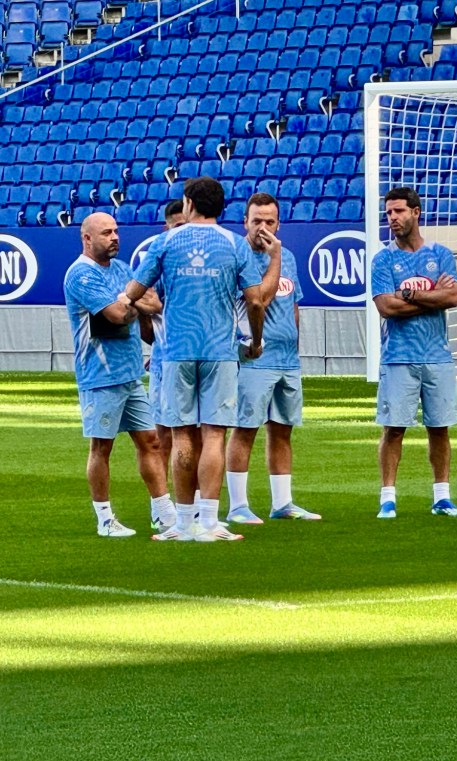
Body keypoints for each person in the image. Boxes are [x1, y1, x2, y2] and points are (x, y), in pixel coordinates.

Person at [124, 176, 281, 542]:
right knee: (214, 434)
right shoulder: (234, 245)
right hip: (219, 350)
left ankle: (182, 524)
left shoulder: (166, 241)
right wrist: (256, 341)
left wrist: (131, 300)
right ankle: (209, 522)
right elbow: (255, 300)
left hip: (176, 351)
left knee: (181, 435)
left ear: (189, 204)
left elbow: (134, 290)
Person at [63, 211, 176, 537]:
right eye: (106, 233)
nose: (114, 237)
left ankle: (163, 513)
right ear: (87, 238)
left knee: (151, 441)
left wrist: (131, 302)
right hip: (99, 374)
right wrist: (133, 303)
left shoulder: (124, 269)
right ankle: (104, 519)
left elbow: (152, 303)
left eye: (115, 231)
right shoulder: (81, 274)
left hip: (129, 372)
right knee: (102, 446)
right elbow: (114, 314)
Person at [370, 187, 457, 520]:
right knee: (393, 428)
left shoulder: (440, 255)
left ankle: (442, 497)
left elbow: (453, 298)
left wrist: (410, 294)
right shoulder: (383, 259)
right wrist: (432, 296)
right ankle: (387, 499)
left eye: (398, 211)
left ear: (416, 212)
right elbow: (387, 307)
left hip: (437, 356)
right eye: (388, 212)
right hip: (398, 356)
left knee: (439, 428)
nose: (392, 218)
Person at [224, 192, 320, 524]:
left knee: (282, 430)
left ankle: (282, 503)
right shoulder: (238, 257)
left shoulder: (287, 256)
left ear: (279, 223)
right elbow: (259, 301)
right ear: (245, 222)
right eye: (257, 221)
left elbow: (293, 304)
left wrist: (295, 347)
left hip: (286, 359)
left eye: (269, 221)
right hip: (253, 356)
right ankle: (238, 505)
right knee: (245, 428)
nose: (263, 228)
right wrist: (275, 255)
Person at [144, 199, 187, 519]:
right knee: (163, 437)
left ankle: (194, 504)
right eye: (178, 226)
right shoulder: (158, 258)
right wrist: (157, 342)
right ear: (167, 227)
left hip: (200, 358)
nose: (183, 232)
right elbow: (144, 309)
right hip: (165, 359)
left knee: (199, 435)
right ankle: (160, 506)